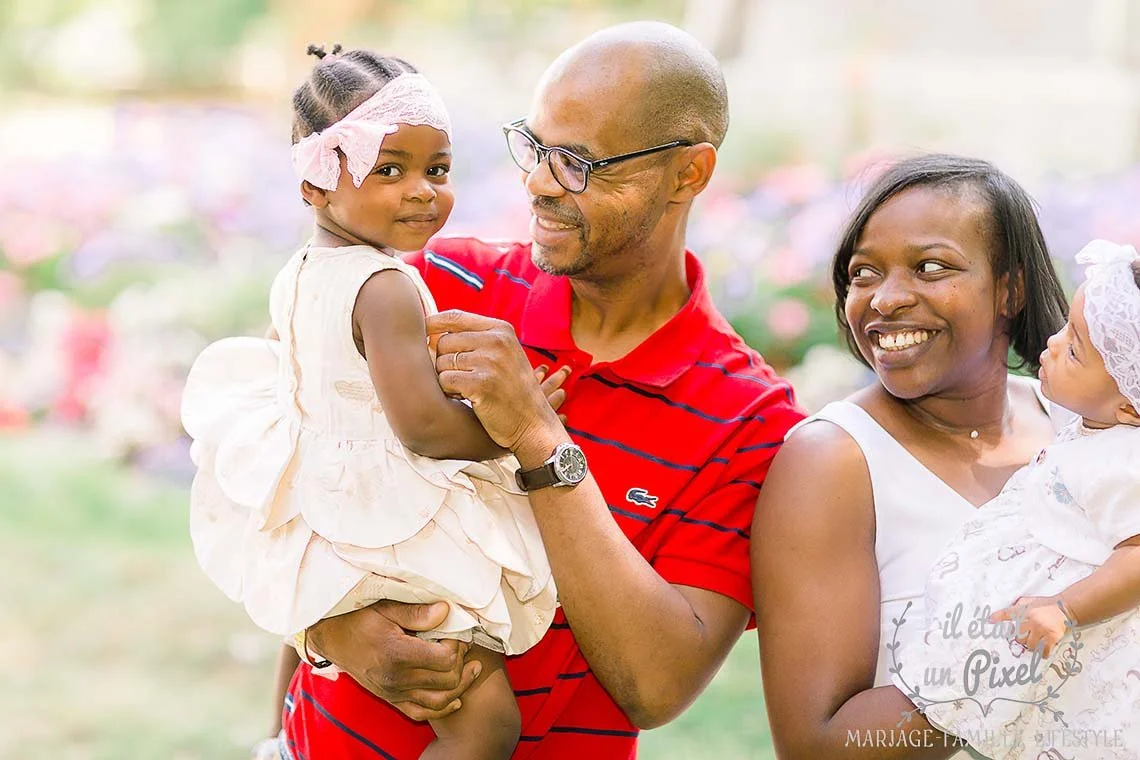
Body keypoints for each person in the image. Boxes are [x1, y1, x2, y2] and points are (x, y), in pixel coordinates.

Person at [280, 21, 804, 760]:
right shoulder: (437, 283)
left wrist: (538, 437)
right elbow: (299, 466)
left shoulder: (750, 420)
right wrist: (329, 629)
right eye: (534, 146)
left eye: (579, 162)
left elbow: (655, 685)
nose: (537, 182)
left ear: (689, 172)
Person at [182, 45, 568, 760]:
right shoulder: (384, 287)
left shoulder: (302, 270)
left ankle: (278, 742)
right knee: (485, 723)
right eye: (389, 170)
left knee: (312, 613)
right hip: (387, 511)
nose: (421, 190)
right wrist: (512, 428)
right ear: (316, 184)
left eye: (438, 169)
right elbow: (423, 428)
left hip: (323, 501)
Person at [751, 153, 1069, 759]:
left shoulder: (1074, 428)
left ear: (1011, 288)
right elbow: (816, 746)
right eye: (864, 273)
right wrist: (1031, 651)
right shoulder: (834, 463)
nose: (886, 299)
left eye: (930, 267)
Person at [890, 239, 1140, 760]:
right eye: (1068, 329)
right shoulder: (1095, 423)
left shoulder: (1124, 465)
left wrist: (1066, 609)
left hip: (1071, 631)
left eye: (1074, 350)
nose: (1051, 344)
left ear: (1129, 409)